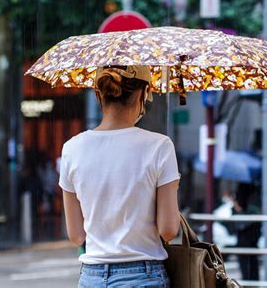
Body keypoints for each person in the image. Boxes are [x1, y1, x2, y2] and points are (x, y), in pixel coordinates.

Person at [60, 65, 180, 287]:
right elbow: (168, 229)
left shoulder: (71, 149)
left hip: (92, 277)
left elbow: (76, 235)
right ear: (144, 94)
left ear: (98, 93)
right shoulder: (160, 146)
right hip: (144, 275)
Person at [232, 182, 261, 281]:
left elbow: (243, 217)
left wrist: (235, 205)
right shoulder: (255, 192)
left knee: (246, 263)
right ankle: (252, 283)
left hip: (245, 236)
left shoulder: (247, 192)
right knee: (252, 262)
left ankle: (249, 283)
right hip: (253, 235)